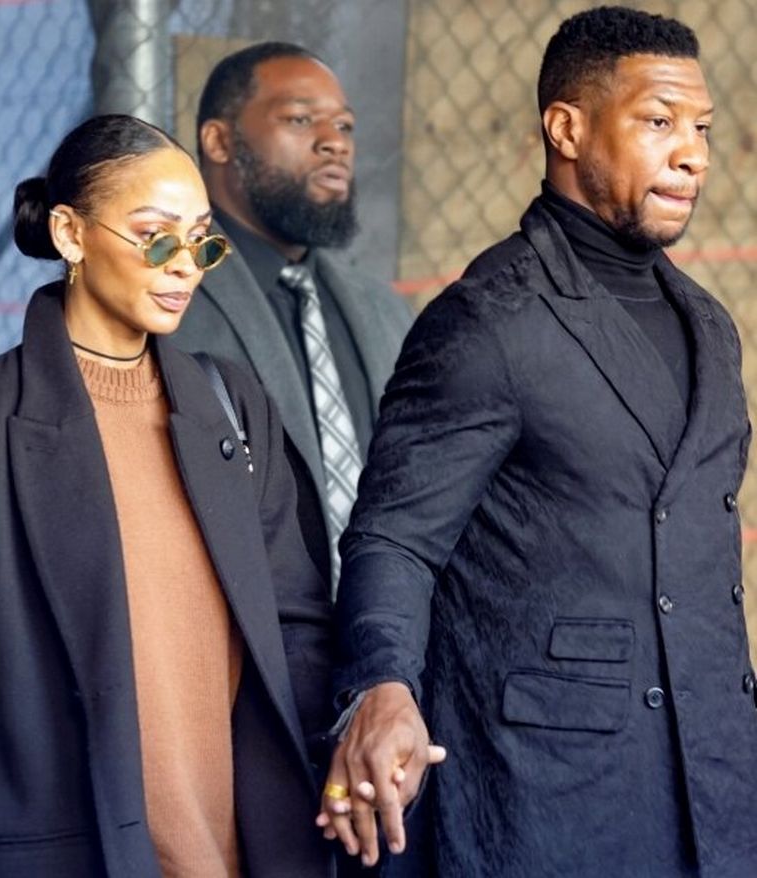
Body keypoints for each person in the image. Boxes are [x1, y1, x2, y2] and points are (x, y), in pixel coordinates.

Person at [318, 7, 757, 877]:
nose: (693, 154)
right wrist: (381, 685)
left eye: (702, 128)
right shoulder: (489, 320)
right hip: (548, 796)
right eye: (658, 122)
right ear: (567, 128)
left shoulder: (709, 326)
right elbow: (395, 539)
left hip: (713, 784)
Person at [0, 113, 334, 878]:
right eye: (155, 238)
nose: (185, 267)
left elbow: (297, 623)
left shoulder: (231, 405)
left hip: (243, 852)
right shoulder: (5, 422)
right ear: (70, 234)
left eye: (202, 242)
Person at [173, 42, 413, 590]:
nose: (335, 142)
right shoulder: (170, 298)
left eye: (345, 126)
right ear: (219, 141)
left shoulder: (382, 310)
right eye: (301, 119)